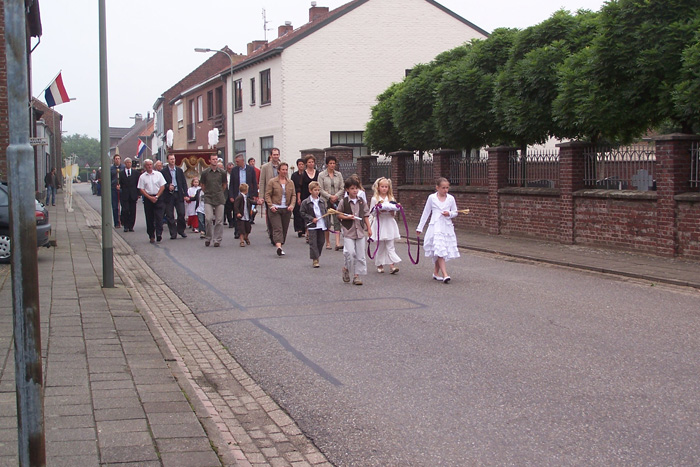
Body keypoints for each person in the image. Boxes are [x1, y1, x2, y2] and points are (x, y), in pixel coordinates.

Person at [416, 177, 460, 284]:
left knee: (441, 249)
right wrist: (420, 227)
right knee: (439, 248)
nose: (445, 190)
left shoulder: (451, 199)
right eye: (443, 188)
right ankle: (445, 274)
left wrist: (449, 213)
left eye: (447, 188)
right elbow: (426, 212)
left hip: (446, 226)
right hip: (435, 226)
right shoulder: (432, 198)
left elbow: (455, 212)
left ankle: (436, 272)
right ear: (437, 188)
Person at [336, 177, 372, 285]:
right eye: (352, 188)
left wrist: (369, 228)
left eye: (356, 188)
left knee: (360, 254)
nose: (355, 190)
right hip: (349, 231)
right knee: (350, 253)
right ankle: (346, 268)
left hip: (360, 231)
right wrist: (347, 217)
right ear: (347, 189)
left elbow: (366, 215)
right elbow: (338, 214)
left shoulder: (362, 202)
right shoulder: (344, 202)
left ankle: (357, 276)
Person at [369, 177, 402, 274]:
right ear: (378, 187)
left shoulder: (391, 198)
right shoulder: (375, 199)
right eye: (382, 186)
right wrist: (379, 211)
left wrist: (392, 211)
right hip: (380, 223)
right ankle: (379, 264)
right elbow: (372, 213)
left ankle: (392, 265)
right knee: (381, 245)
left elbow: (394, 213)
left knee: (390, 245)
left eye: (386, 187)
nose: (384, 188)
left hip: (389, 223)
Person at [264, 162, 295, 257]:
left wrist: (292, 205)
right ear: (278, 170)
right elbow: (267, 195)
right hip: (275, 208)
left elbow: (293, 195)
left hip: (286, 209)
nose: (285, 171)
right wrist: (270, 206)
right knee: (278, 228)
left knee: (284, 229)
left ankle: (280, 243)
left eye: (286, 170)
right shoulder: (272, 182)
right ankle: (279, 247)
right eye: (283, 169)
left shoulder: (290, 182)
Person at [228, 153, 260, 239]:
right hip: (237, 195)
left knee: (247, 213)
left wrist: (255, 195)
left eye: (237, 161)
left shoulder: (250, 169)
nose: (236, 163)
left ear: (242, 161)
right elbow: (231, 184)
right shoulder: (234, 170)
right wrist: (231, 195)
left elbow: (254, 182)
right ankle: (237, 232)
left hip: (248, 195)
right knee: (237, 213)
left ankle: (245, 231)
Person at [199, 153, 227, 247]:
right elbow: (202, 185)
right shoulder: (205, 172)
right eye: (213, 159)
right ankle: (208, 237)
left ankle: (217, 240)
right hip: (208, 197)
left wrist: (219, 192)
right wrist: (207, 192)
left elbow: (224, 185)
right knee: (208, 218)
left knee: (219, 220)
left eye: (216, 159)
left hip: (219, 197)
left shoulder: (222, 172)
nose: (215, 161)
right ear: (209, 161)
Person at [137, 159, 167, 243]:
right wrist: (149, 197)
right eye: (147, 165)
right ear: (145, 166)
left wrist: (157, 196)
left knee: (159, 217)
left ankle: (159, 234)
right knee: (149, 217)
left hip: (158, 197)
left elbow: (162, 186)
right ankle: (151, 235)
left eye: (150, 164)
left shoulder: (158, 174)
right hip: (148, 198)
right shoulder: (142, 177)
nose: (149, 166)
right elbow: (141, 189)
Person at [318, 155, 344, 251]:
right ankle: (328, 242)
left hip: (336, 200)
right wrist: (329, 196)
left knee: (337, 220)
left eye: (334, 163)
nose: (332, 165)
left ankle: (337, 242)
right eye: (330, 163)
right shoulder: (321, 175)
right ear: (327, 164)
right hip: (325, 200)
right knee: (327, 221)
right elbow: (320, 188)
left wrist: (336, 196)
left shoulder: (339, 174)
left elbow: (342, 187)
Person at [161, 154, 189, 239]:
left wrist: (185, 194)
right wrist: (167, 186)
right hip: (169, 194)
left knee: (181, 213)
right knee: (170, 215)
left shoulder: (179, 170)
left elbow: (184, 183)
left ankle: (181, 230)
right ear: (168, 160)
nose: (172, 161)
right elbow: (161, 183)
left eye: (173, 159)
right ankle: (173, 232)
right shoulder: (163, 172)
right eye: (171, 159)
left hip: (178, 193)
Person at [300, 181, 328, 268]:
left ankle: (317, 255)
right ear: (310, 191)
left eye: (318, 190)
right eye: (315, 190)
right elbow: (302, 212)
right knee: (313, 243)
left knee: (321, 241)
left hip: (321, 224)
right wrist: (311, 218)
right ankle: (315, 259)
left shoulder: (322, 201)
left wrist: (327, 224)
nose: (317, 192)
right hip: (312, 225)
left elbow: (325, 212)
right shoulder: (306, 202)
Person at [259, 147, 282, 245]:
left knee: (279, 216)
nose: (276, 156)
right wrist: (261, 196)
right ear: (271, 156)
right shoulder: (265, 167)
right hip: (269, 195)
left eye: (277, 154)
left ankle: (278, 235)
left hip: (280, 195)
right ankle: (272, 235)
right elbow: (262, 182)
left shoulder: (282, 166)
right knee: (270, 216)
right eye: (274, 154)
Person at [118, 157, 141, 232]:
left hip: (133, 194)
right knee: (125, 210)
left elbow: (138, 184)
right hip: (125, 195)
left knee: (133, 210)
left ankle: (131, 226)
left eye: (130, 162)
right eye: (127, 162)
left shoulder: (135, 173)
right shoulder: (121, 173)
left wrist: (138, 193)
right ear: (125, 164)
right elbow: (120, 183)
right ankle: (126, 225)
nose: (128, 164)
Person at [299, 154, 319, 242]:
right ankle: (307, 232)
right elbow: (300, 186)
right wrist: (299, 198)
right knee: (307, 214)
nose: (311, 164)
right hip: (305, 195)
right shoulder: (303, 174)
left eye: (312, 162)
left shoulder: (317, 173)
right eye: (309, 162)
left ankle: (314, 232)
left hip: (315, 196)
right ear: (306, 163)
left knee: (315, 213)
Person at [233, 183, 255, 247]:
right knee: (241, 229)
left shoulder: (246, 198)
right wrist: (238, 213)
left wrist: (257, 202)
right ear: (246, 190)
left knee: (248, 228)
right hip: (241, 216)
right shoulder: (239, 197)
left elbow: (251, 201)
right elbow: (236, 206)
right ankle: (242, 240)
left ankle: (246, 237)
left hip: (247, 216)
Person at [291, 158, 306, 238]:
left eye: (302, 164)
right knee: (297, 212)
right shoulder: (294, 175)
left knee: (304, 212)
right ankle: (299, 229)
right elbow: (293, 186)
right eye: (299, 164)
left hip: (304, 194)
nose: (301, 166)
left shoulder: (306, 174)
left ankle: (304, 229)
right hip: (296, 194)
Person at [110, 155, 125, 227]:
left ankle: (122, 220)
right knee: (115, 206)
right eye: (116, 159)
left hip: (122, 189)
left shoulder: (123, 168)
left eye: (118, 159)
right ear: (114, 160)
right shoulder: (111, 169)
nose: (117, 160)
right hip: (114, 188)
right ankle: (116, 222)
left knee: (124, 206)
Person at [224, 162, 235, 227]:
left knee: (235, 208)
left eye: (231, 168)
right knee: (228, 209)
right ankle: (230, 221)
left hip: (234, 192)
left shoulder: (236, 173)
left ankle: (234, 221)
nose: (230, 170)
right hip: (226, 192)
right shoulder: (224, 174)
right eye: (229, 169)